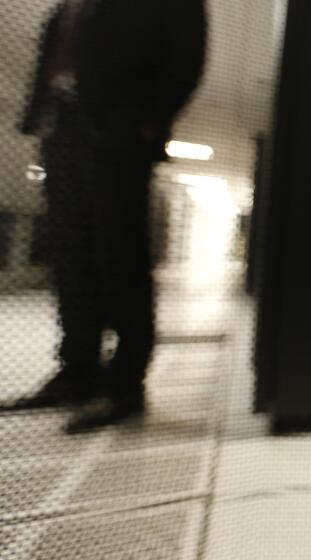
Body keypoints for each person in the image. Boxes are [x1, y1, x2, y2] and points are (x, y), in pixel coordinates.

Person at [17, 0, 207, 433]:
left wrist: (150, 122)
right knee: (70, 254)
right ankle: (78, 369)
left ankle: (124, 383)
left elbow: (185, 56)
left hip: (118, 130)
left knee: (119, 253)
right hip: (61, 126)